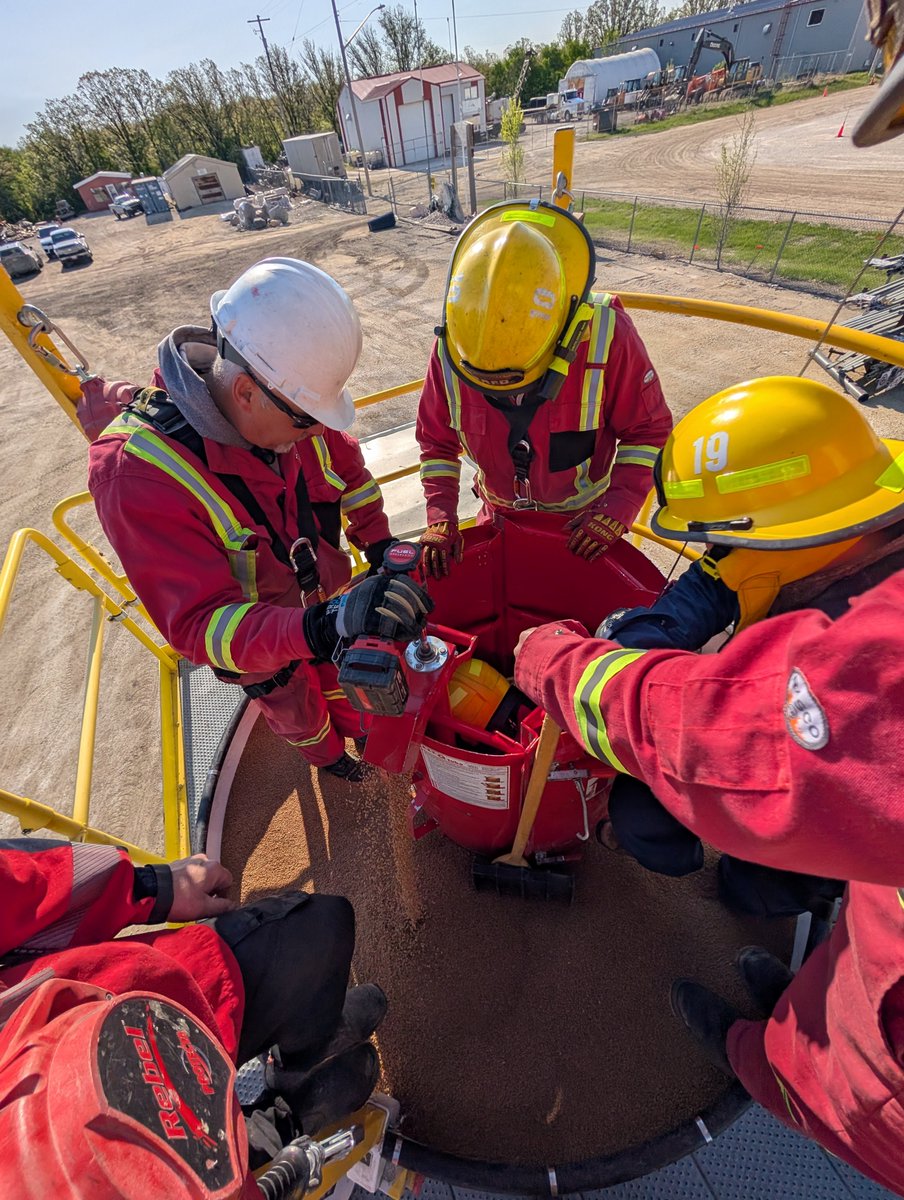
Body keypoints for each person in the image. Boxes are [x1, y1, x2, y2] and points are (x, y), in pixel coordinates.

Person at [511, 376, 904, 1195]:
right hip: (879, 892)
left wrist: (555, 662)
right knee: (836, 971)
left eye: (722, 549)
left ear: (792, 539)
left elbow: (714, 733)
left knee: (840, 1078)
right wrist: (715, 591)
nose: (710, 566)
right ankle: (795, 1004)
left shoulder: (861, 676)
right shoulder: (871, 555)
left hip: (896, 1060)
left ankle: (761, 1059)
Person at [88, 257, 431, 783]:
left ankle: (360, 732)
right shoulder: (138, 475)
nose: (316, 431)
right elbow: (201, 625)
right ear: (246, 392)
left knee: (347, 682)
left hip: (325, 607)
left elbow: (349, 476)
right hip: (262, 652)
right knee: (299, 713)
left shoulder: (289, 402)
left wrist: (380, 545)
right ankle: (327, 758)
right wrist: (316, 628)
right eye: (305, 420)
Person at [595, 376, 904, 919]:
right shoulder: (803, 532)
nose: (720, 550)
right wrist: (620, 649)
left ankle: (757, 903)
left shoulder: (878, 633)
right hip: (782, 729)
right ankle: (701, 865)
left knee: (776, 882)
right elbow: (691, 603)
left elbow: (777, 744)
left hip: (854, 795)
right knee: (641, 810)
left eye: (728, 535)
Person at [0, 838, 387, 1199]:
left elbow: (23, 885)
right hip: (189, 1178)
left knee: (323, 927)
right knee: (242, 1159)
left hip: (157, 998)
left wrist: (156, 887)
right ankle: (284, 1121)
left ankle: (300, 1060)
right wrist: (275, 1185)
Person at [414, 200, 672, 578]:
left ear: (560, 339)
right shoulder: (457, 347)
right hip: (499, 518)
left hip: (583, 530)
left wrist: (617, 509)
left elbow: (647, 433)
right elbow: (437, 444)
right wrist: (440, 515)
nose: (506, 397)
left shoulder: (606, 335)